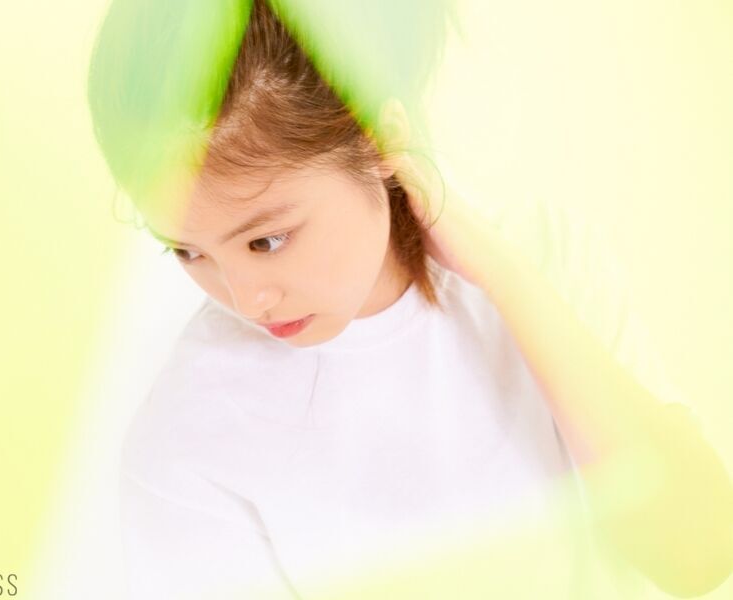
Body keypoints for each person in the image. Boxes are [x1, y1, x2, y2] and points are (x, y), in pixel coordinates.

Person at [86, 1, 733, 598]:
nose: (246, 299)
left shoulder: (548, 257)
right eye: (187, 251)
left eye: (268, 240)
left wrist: (504, 278)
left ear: (380, 141)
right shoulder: (187, 442)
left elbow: (700, 553)